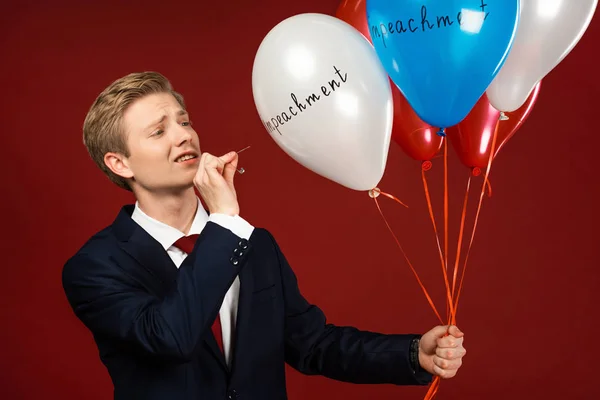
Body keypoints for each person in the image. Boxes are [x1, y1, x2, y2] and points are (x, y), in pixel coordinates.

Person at [62, 71, 466, 400]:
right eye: (158, 132)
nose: (184, 135)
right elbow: (170, 337)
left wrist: (414, 354)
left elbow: (312, 345)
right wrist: (224, 221)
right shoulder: (95, 267)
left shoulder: (254, 245)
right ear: (119, 163)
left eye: (184, 121)